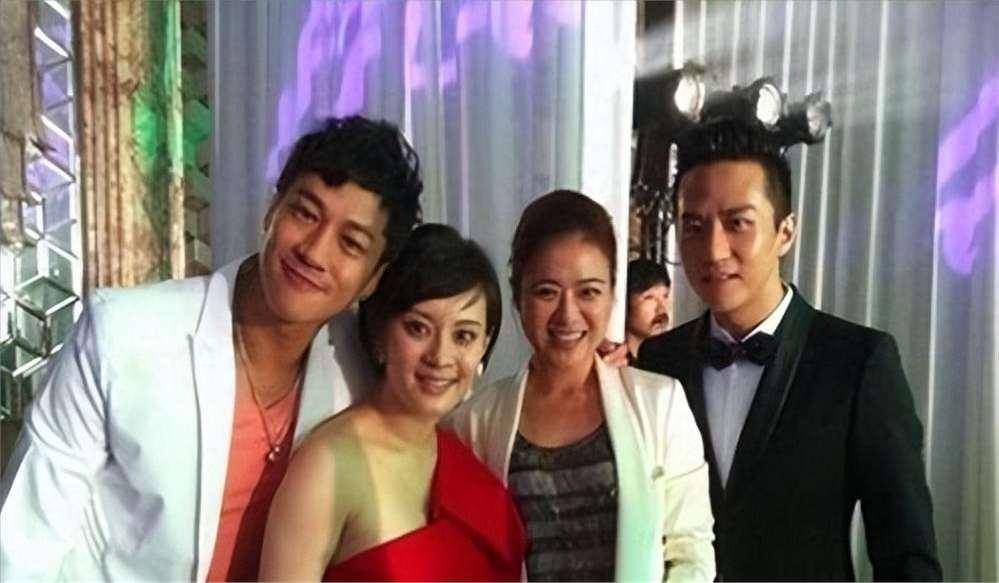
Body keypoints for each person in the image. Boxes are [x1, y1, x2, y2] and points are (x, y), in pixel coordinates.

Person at [0, 116, 422, 581]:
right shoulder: (123, 333)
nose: (315, 251)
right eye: (305, 213)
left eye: (351, 242)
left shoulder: (360, 374)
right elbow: (24, 541)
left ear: (374, 277)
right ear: (272, 210)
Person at [636, 118, 942, 580]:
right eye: (694, 226)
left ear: (785, 232)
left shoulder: (857, 362)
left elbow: (908, 557)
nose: (714, 250)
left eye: (738, 223)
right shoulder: (659, 361)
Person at [445, 190, 715, 582]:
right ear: (519, 298)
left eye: (588, 291)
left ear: (612, 295)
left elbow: (690, 551)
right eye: (546, 292)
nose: (568, 315)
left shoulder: (660, 403)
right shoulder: (474, 423)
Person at [259, 224, 525, 581]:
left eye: (463, 336)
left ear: (484, 346)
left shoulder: (468, 452)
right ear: (380, 331)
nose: (440, 356)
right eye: (418, 328)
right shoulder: (328, 465)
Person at [625, 258, 672, 361]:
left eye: (665, 296)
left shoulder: (671, 360)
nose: (661, 309)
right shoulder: (611, 363)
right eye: (649, 297)